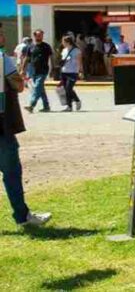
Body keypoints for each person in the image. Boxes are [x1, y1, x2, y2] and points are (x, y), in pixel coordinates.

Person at [0, 26, 53, 230]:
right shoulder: (3, 59)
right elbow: (18, 86)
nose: (3, 36)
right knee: (12, 173)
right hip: (2, 126)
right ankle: (23, 216)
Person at [20, 30, 52, 114]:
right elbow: (26, 58)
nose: (40, 37)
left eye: (41, 35)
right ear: (35, 36)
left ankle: (31, 105)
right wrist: (22, 69)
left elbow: (51, 58)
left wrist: (54, 68)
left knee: (37, 87)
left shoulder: (46, 46)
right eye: (39, 35)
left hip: (44, 70)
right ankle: (46, 106)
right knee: (40, 89)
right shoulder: (30, 47)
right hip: (33, 71)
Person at [58, 35, 82, 112]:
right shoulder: (64, 50)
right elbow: (62, 60)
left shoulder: (76, 51)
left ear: (67, 42)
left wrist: (80, 71)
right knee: (66, 89)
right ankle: (69, 106)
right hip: (64, 71)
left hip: (73, 72)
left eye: (63, 41)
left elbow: (79, 62)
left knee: (69, 88)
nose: (62, 43)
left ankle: (76, 101)